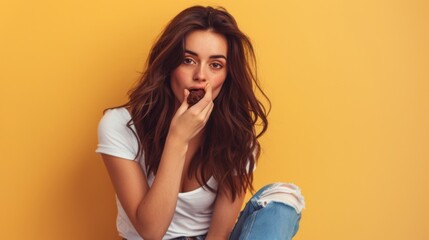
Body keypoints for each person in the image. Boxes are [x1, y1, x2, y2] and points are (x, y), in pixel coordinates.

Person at [96, 5, 305, 240]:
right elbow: (151, 231)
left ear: (227, 76)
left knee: (283, 199)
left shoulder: (237, 136)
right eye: (188, 60)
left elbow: (218, 235)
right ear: (169, 65)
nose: (200, 76)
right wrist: (178, 138)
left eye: (215, 65)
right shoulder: (121, 125)